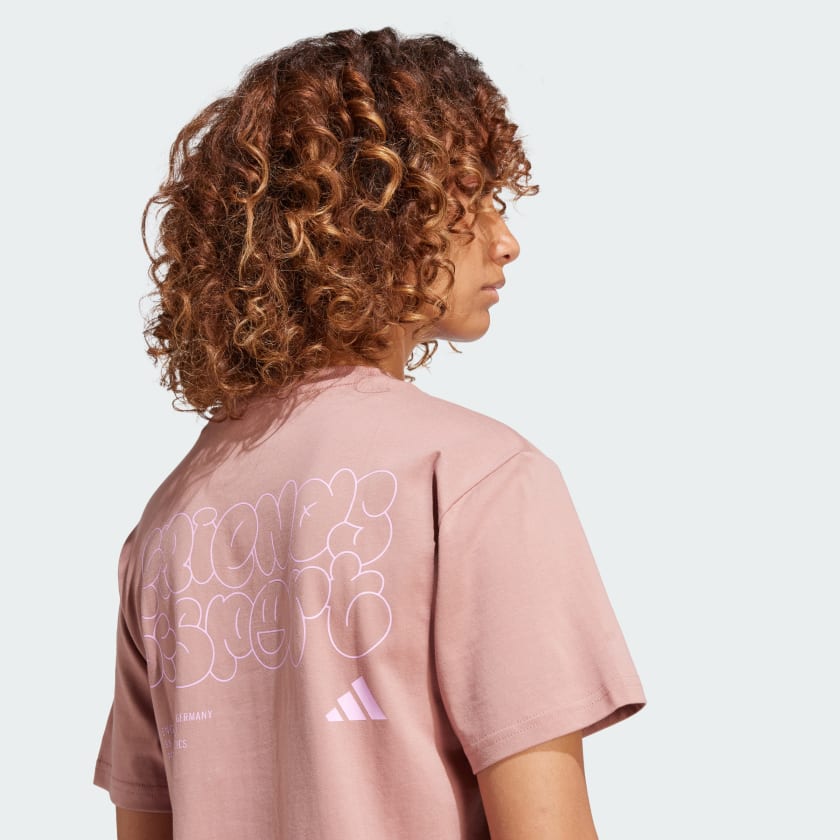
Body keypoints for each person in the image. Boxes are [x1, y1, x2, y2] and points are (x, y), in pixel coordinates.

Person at [94, 26, 647, 840]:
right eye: (471, 197)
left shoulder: (168, 524)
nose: (505, 240)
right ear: (380, 214)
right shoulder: (475, 479)